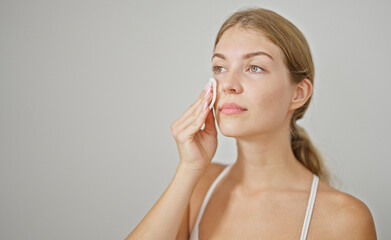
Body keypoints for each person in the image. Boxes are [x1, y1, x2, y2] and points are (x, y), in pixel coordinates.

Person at [126, 7, 377, 240]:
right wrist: (189, 168)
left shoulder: (345, 219)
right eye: (220, 67)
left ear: (298, 94)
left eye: (254, 68)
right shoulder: (199, 187)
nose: (228, 84)